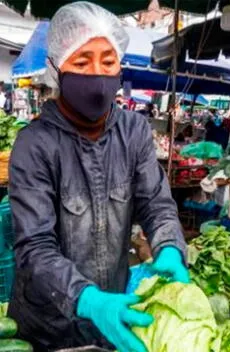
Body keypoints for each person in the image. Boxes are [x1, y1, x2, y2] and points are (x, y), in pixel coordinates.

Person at [8, 3, 189, 352]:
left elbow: (156, 203)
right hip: (50, 328)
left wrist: (168, 247)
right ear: (56, 69)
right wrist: (88, 300)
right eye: (81, 62)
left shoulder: (134, 130)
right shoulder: (35, 145)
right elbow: (34, 246)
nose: (96, 74)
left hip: (117, 312)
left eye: (108, 61)